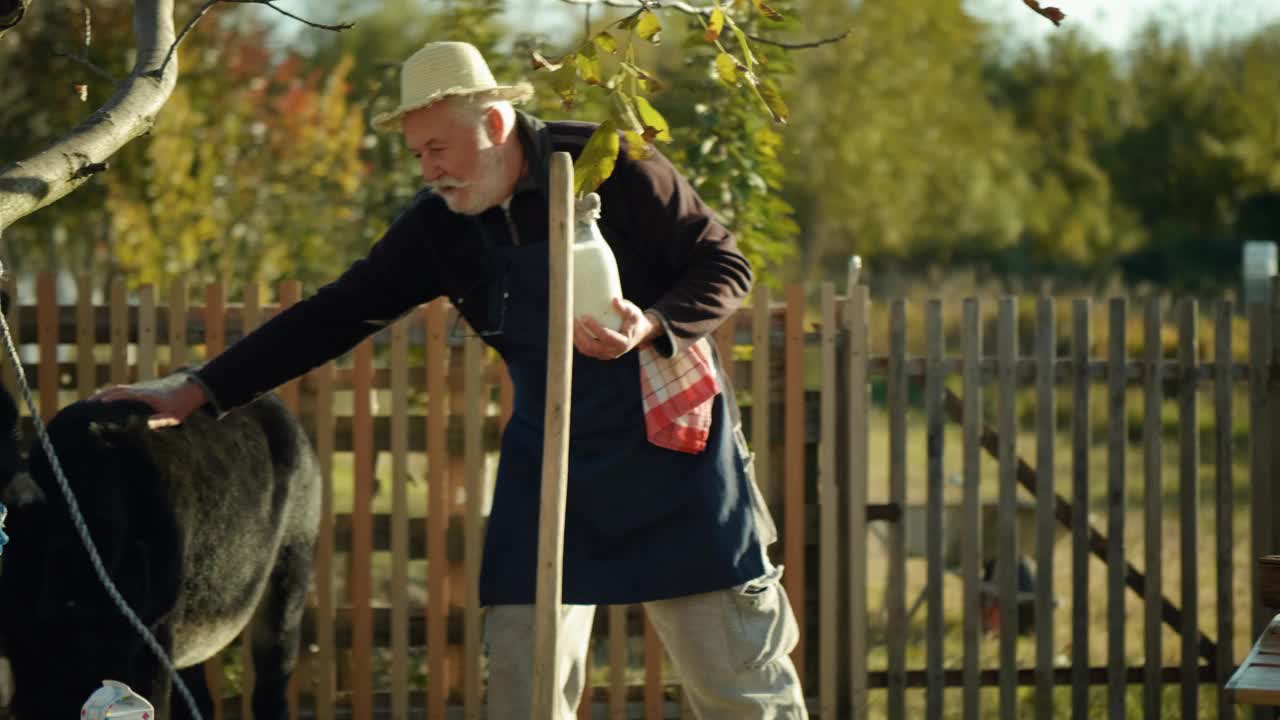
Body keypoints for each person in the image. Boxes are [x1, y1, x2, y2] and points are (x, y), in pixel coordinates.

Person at [95, 41, 808, 719]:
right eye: (416, 154)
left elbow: (725, 265)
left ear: (495, 123)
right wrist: (197, 390)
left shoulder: (610, 166)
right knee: (524, 691)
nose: (429, 170)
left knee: (739, 689)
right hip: (549, 461)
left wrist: (651, 324)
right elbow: (337, 313)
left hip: (672, 458)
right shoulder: (442, 225)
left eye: (438, 148)